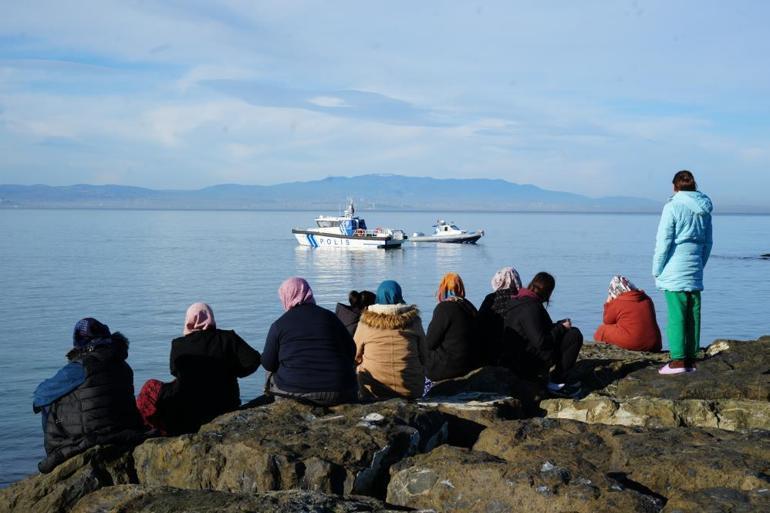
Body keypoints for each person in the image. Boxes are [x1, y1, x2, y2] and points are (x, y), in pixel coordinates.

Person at [33, 318, 144, 473]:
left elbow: (40, 395)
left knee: (49, 399)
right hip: (125, 428)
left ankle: (55, 449)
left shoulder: (80, 367)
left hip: (92, 434)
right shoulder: (123, 364)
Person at [136, 302, 261, 435]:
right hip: (225, 405)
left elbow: (174, 371)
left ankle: (149, 427)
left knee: (151, 386)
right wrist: (234, 372)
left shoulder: (179, 344)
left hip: (188, 409)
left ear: (188, 320)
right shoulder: (228, 338)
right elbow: (253, 360)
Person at [653, 170, 713, 374]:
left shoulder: (672, 207)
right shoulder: (704, 209)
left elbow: (664, 243)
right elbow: (708, 243)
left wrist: (657, 269)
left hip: (675, 266)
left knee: (676, 314)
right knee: (693, 313)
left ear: (675, 187)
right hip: (695, 265)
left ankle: (678, 361)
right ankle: (691, 356)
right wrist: (700, 264)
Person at [262, 277, 358, 405]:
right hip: (340, 391)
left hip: (297, 394)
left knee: (270, 370)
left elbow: (268, 364)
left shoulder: (279, 324)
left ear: (286, 297)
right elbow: (351, 351)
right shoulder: (330, 317)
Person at [501, 272, 583, 397]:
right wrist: (561, 328)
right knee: (574, 335)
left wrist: (559, 325)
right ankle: (556, 382)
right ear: (548, 292)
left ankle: (554, 380)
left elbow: (536, 329)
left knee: (569, 332)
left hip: (514, 357)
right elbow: (541, 342)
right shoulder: (531, 307)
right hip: (527, 362)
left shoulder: (517, 301)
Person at [354, 280, 425, 399]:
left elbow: (354, 354)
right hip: (411, 388)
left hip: (374, 390)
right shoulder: (414, 321)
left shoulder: (365, 322)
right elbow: (424, 355)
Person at [420, 273, 480, 381]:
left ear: (443, 288)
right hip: (470, 363)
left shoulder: (443, 308)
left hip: (448, 368)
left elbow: (429, 343)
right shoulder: (470, 306)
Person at [593, 276, 662, 352]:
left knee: (602, 330)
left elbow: (607, 321)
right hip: (655, 344)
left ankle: (602, 350)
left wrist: (608, 303)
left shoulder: (618, 302)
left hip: (635, 343)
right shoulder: (646, 298)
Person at [477, 266, 523, 365]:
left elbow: (479, 322)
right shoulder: (521, 300)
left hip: (491, 349)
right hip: (515, 349)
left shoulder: (490, 298)